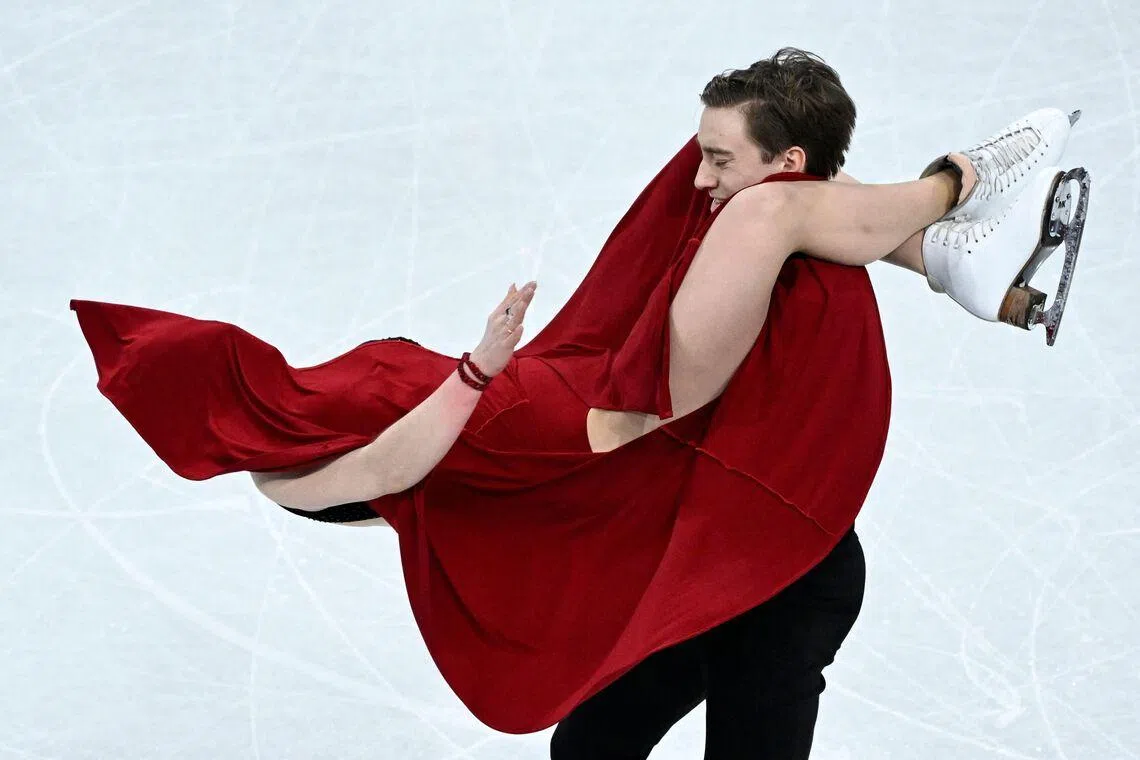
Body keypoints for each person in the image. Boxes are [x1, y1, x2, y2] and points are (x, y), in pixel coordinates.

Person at [69, 48, 1087, 753]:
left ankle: (959, 248)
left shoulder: (324, 393)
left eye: (717, 153)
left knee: (774, 210)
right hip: (697, 525)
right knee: (592, 746)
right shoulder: (312, 464)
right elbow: (386, 470)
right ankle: (963, 191)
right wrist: (472, 371)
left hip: (764, 555)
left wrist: (482, 370)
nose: (698, 174)